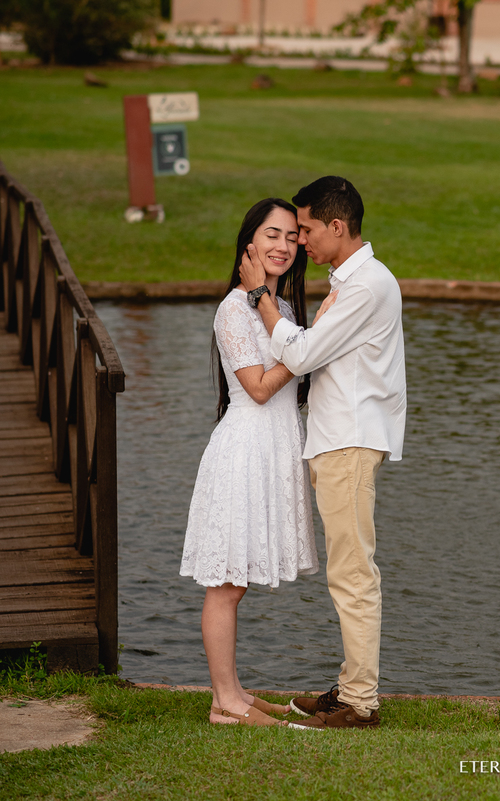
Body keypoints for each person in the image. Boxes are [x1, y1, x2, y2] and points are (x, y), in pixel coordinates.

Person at [240, 176, 406, 730]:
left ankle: (360, 703)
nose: (300, 241)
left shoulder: (366, 286)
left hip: (349, 441)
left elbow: (305, 353)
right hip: (340, 439)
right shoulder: (353, 281)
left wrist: (261, 299)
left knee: (353, 572)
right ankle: (351, 688)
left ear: (337, 227)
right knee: (348, 568)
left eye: (306, 229)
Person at [181, 198, 324, 727]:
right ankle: (227, 703)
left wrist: (301, 339)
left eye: (291, 237)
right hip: (243, 452)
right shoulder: (235, 308)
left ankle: (231, 693)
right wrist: (304, 350)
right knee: (227, 582)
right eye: (271, 235)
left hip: (272, 451)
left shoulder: (278, 309)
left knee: (235, 581)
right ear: (248, 244)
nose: (283, 246)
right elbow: (260, 389)